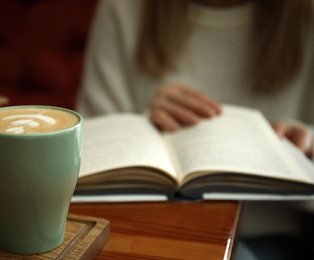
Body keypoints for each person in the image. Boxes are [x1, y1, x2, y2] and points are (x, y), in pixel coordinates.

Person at [76, 0, 314, 259]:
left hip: (265, 237)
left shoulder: (306, 18)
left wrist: (305, 152)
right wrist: (144, 125)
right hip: (140, 227)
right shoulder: (123, 9)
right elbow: (84, 162)